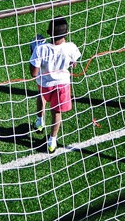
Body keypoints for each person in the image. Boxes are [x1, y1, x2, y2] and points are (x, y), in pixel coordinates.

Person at [30, 17, 82, 154]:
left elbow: (33, 73)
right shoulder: (71, 47)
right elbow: (74, 64)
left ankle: (40, 122)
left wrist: (33, 49)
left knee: (41, 97)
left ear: (48, 32)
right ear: (67, 33)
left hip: (45, 84)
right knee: (56, 112)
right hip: (62, 85)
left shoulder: (41, 49)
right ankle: (52, 141)